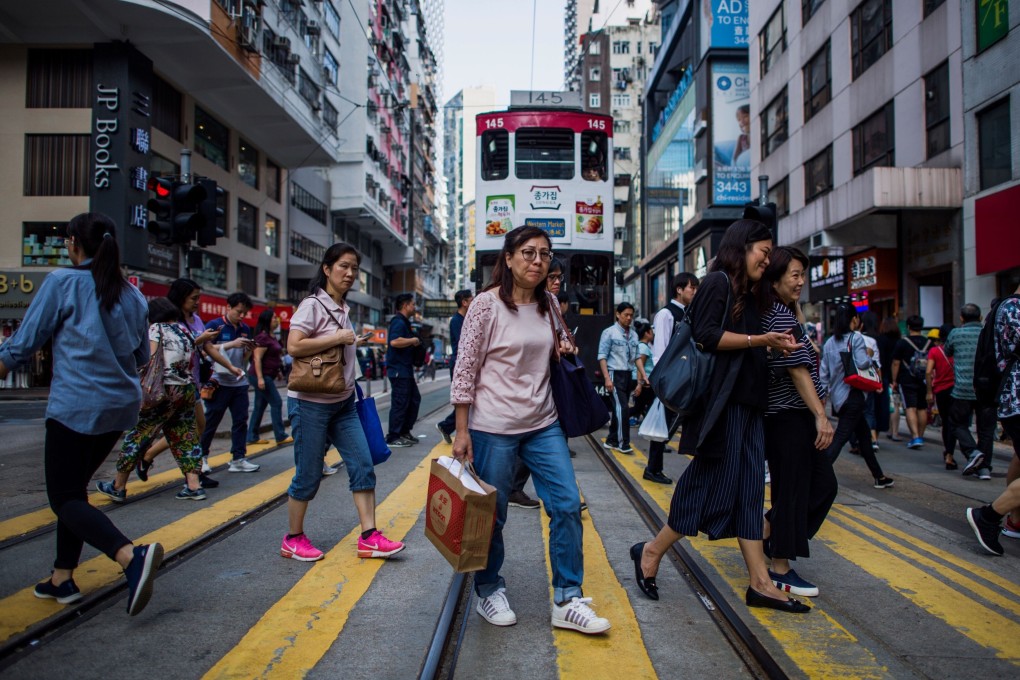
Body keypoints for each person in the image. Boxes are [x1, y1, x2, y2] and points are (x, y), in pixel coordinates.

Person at [630, 220, 808, 614]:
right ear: (741, 248)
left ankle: (760, 582)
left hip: (749, 406)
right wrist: (761, 341)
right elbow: (707, 336)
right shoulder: (717, 283)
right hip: (723, 406)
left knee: (748, 492)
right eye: (763, 251)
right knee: (707, 483)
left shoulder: (752, 292)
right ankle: (651, 551)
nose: (767, 258)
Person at [0, 213, 163, 615]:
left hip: (77, 405)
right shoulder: (133, 295)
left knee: (64, 497)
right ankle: (61, 578)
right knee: (73, 490)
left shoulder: (62, 282)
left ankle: (130, 556)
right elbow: (142, 356)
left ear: (73, 243)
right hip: (119, 407)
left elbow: (22, 347)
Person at [451, 226, 611, 634]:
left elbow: (560, 346)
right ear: (507, 258)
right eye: (527, 253)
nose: (537, 261)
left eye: (544, 254)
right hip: (493, 428)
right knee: (493, 515)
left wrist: (566, 348)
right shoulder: (485, 306)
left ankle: (568, 598)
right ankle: (489, 589)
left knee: (566, 505)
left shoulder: (551, 304)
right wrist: (462, 430)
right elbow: (465, 369)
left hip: (544, 424)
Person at [282, 243, 405, 562]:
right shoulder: (312, 305)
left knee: (363, 464)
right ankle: (293, 538)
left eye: (354, 269)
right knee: (308, 475)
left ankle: (369, 536)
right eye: (343, 267)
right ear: (327, 269)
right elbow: (294, 346)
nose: (350, 274)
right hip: (309, 403)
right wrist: (339, 338)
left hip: (344, 403)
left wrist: (351, 343)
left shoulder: (342, 308)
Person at [97, 297, 229, 503]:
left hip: (163, 390)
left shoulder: (155, 330)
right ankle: (194, 486)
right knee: (186, 436)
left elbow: (149, 359)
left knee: (139, 434)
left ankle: (118, 485)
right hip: (186, 389)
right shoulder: (183, 331)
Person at [760, 247, 836, 598]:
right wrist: (821, 416)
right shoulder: (776, 314)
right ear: (775, 278)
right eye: (795, 275)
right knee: (792, 490)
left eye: (802, 275)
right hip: (787, 417)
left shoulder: (788, 314)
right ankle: (780, 567)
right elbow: (797, 369)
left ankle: (770, 531)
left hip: (797, 416)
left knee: (823, 486)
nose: (801, 282)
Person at [134, 278, 243, 489]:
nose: (197, 302)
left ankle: (151, 458)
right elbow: (166, 350)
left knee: (195, 428)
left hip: (190, 383)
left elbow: (209, 348)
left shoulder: (196, 320)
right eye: (194, 298)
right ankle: (190, 476)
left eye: (199, 298)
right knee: (170, 430)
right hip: (169, 385)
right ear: (181, 297)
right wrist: (199, 340)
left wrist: (231, 368)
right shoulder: (168, 321)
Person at [508, 260, 564, 508]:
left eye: (559, 277)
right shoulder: (503, 304)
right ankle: (515, 489)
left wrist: (565, 346)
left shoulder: (552, 305)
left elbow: (559, 339)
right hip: (515, 401)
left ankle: (560, 495)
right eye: (552, 277)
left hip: (546, 397)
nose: (556, 282)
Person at [820, 304, 895, 488]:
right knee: (839, 439)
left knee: (864, 438)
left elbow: (823, 375)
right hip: (853, 396)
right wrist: (869, 355)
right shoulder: (856, 339)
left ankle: (879, 476)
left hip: (839, 398)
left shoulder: (829, 343)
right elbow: (862, 363)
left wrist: (822, 398)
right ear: (853, 320)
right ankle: (816, 475)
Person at [643, 273, 699, 484]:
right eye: (691, 287)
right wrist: (662, 379)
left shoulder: (688, 312)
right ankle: (652, 468)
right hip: (670, 377)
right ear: (679, 289)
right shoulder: (666, 314)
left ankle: (654, 466)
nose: (693, 291)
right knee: (663, 423)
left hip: (684, 375)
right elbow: (660, 349)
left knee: (669, 423)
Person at [201, 293, 260, 473]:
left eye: (244, 313)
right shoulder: (214, 326)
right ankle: (201, 457)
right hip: (219, 381)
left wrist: (249, 350)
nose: (242, 316)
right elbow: (204, 350)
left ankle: (238, 458)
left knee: (241, 420)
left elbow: (244, 358)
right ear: (228, 307)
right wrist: (230, 344)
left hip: (239, 382)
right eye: (239, 311)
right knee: (211, 421)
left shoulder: (245, 329)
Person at [945, 304, 996, 479]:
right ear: (980, 317)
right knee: (986, 430)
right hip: (987, 389)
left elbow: (947, 351)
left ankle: (973, 453)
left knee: (956, 423)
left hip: (962, 389)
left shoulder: (955, 334)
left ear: (961, 318)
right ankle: (984, 468)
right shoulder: (989, 333)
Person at [598, 302, 642, 454]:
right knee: (623, 408)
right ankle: (624, 443)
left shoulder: (635, 334)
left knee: (619, 409)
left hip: (628, 374)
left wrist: (641, 380)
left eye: (631, 315)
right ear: (618, 314)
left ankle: (611, 439)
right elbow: (602, 357)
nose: (629, 318)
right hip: (614, 373)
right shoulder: (609, 333)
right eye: (626, 315)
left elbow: (637, 358)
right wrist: (607, 378)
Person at [247, 309, 293, 448]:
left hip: (268, 375)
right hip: (260, 375)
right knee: (277, 402)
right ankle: (280, 435)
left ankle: (252, 436)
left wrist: (278, 371)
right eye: (274, 318)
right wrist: (260, 378)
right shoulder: (262, 337)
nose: (276, 320)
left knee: (260, 406)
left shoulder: (271, 337)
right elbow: (257, 358)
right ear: (267, 320)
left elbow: (273, 357)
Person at [436, 289, 474, 443]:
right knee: (464, 401)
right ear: (464, 302)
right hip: (459, 365)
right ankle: (447, 426)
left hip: (465, 365)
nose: (474, 302)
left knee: (469, 401)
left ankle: (448, 427)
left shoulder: (466, 319)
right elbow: (463, 345)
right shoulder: (456, 321)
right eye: (471, 300)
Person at [385, 293, 422, 447]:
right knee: (400, 402)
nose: (415, 307)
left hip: (405, 370)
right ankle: (393, 436)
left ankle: (404, 431)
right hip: (399, 370)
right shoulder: (398, 322)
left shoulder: (405, 322)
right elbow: (394, 341)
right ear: (406, 305)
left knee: (414, 399)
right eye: (413, 304)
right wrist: (413, 340)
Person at [891, 315, 931, 449]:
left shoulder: (902, 343)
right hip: (924, 379)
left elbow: (896, 363)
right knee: (922, 408)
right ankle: (920, 435)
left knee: (910, 407)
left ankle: (915, 436)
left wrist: (894, 380)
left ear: (908, 327)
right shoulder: (928, 343)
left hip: (907, 379)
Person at [925, 325, 958, 470]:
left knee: (947, 422)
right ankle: (951, 453)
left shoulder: (935, 351)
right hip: (958, 390)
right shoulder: (958, 349)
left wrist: (929, 391)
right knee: (956, 422)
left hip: (941, 391)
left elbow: (928, 371)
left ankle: (948, 453)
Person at [877, 317, 903, 441]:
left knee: (889, 403)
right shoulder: (900, 341)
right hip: (898, 376)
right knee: (895, 403)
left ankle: (889, 429)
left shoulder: (880, 340)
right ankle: (895, 431)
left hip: (884, 375)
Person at [632, 320, 656, 422]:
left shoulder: (642, 346)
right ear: (647, 333)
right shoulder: (643, 348)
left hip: (645, 382)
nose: (653, 333)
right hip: (643, 382)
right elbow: (639, 367)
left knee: (643, 407)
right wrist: (640, 384)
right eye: (652, 331)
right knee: (640, 407)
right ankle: (618, 418)